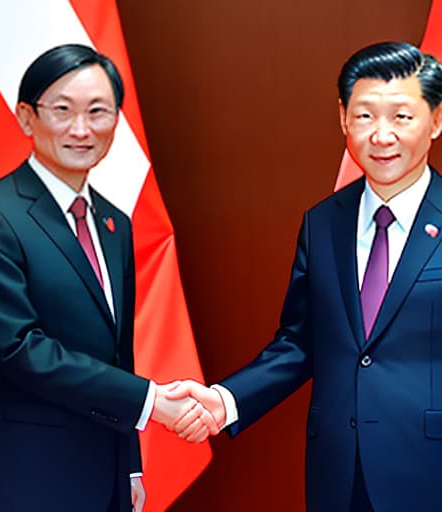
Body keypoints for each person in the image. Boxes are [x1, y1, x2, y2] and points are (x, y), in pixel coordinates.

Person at [169, 41, 442, 511]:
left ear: (435, 120)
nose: (381, 135)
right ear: (343, 119)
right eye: (364, 116)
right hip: (338, 471)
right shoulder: (323, 222)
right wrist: (225, 400)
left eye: (401, 117)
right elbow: (299, 342)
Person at [0, 43, 217, 512]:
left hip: (106, 477)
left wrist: (130, 466)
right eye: (62, 110)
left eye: (98, 111)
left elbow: (119, 353)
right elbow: (18, 349)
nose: (81, 129)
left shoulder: (115, 223)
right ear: (26, 117)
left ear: (117, 119)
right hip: (25, 478)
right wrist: (153, 401)